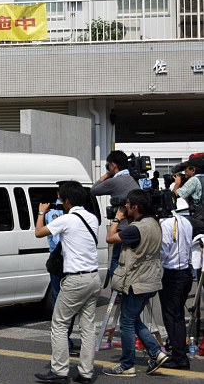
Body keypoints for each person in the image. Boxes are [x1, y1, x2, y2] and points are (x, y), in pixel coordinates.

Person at [34, 181, 101, 384]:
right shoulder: (92, 218)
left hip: (76, 280)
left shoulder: (67, 220)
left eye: (60, 199)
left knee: (60, 324)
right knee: (88, 328)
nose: (59, 202)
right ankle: (86, 373)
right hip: (93, 278)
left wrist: (40, 213)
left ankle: (59, 371)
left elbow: (39, 232)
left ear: (68, 200)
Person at [104, 189, 169, 377]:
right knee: (131, 318)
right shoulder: (154, 223)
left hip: (137, 281)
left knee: (126, 323)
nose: (124, 207)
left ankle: (127, 365)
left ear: (135, 207)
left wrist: (116, 219)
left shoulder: (136, 229)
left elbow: (110, 238)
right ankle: (156, 353)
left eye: (127, 204)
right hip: (151, 279)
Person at [91, 150, 140, 283]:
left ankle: (116, 289)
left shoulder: (114, 181)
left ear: (113, 165)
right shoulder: (132, 179)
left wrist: (106, 175)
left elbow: (94, 190)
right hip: (135, 226)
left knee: (116, 260)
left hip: (122, 227)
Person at [158, 214, 193, 370]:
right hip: (185, 272)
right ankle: (179, 350)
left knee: (172, 317)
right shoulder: (185, 221)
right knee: (176, 315)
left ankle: (179, 357)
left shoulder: (166, 224)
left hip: (172, 273)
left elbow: (163, 251)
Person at [45, 197, 78, 356]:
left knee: (70, 303)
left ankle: (66, 339)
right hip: (59, 259)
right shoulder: (54, 214)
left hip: (70, 260)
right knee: (60, 302)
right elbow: (57, 239)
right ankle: (64, 341)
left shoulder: (72, 217)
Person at [173, 157, 204, 224]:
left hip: (199, 218)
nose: (184, 173)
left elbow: (176, 195)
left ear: (193, 170)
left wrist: (177, 183)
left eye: (186, 170)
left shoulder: (194, 180)